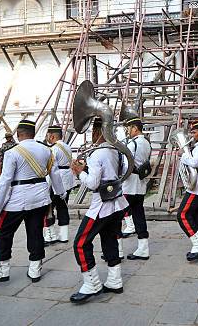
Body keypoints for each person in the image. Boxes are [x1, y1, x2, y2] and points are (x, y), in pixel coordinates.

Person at [0, 120, 65, 284]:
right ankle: (35, 270)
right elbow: (54, 174)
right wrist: (60, 192)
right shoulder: (47, 150)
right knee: (35, 232)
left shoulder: (12, 152)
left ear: (19, 134)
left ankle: (1, 270)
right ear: (33, 133)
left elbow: (5, 181)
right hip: (40, 197)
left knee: (3, 233)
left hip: (17, 199)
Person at [69, 117, 127, 303]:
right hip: (117, 203)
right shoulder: (117, 151)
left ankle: (91, 284)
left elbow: (93, 183)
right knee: (110, 240)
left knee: (80, 243)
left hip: (101, 205)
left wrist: (79, 172)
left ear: (97, 132)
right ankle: (114, 281)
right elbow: (121, 172)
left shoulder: (97, 154)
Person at [176, 120, 198, 262]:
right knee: (197, 214)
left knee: (182, 214)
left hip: (197, 185)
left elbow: (194, 162)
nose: (192, 135)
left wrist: (182, 155)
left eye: (194, 132)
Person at [122, 117, 152, 260]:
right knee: (139, 215)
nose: (128, 131)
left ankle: (117, 250)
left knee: (116, 215)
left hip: (129, 184)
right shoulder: (146, 142)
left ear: (135, 128)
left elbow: (126, 165)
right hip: (140, 184)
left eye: (129, 128)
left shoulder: (132, 144)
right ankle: (143, 248)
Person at [43, 125, 75, 245]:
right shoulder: (67, 147)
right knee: (62, 207)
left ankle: (50, 236)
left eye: (48, 135)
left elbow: (51, 168)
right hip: (67, 179)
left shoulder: (54, 149)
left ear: (52, 136)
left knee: (49, 209)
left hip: (57, 180)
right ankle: (64, 235)